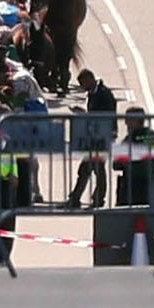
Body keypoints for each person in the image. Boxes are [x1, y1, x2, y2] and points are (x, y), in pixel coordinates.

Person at [62, 70, 121, 209]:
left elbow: (105, 115)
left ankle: (98, 198)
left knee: (97, 168)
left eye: (83, 83)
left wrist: (85, 114)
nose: (82, 87)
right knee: (86, 168)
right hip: (95, 135)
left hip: (104, 135)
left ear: (90, 79)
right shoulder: (93, 93)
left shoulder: (104, 94)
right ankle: (76, 198)